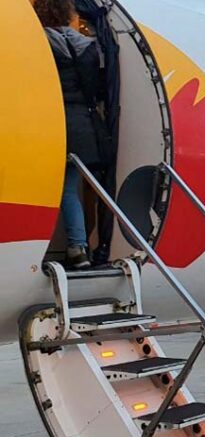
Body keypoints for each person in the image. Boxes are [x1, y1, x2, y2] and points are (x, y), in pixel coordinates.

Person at [36, 0, 106, 269]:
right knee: (68, 189)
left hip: (50, 124)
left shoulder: (39, 43)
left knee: (40, 187)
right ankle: (78, 248)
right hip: (82, 125)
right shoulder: (87, 46)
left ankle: (31, 246)